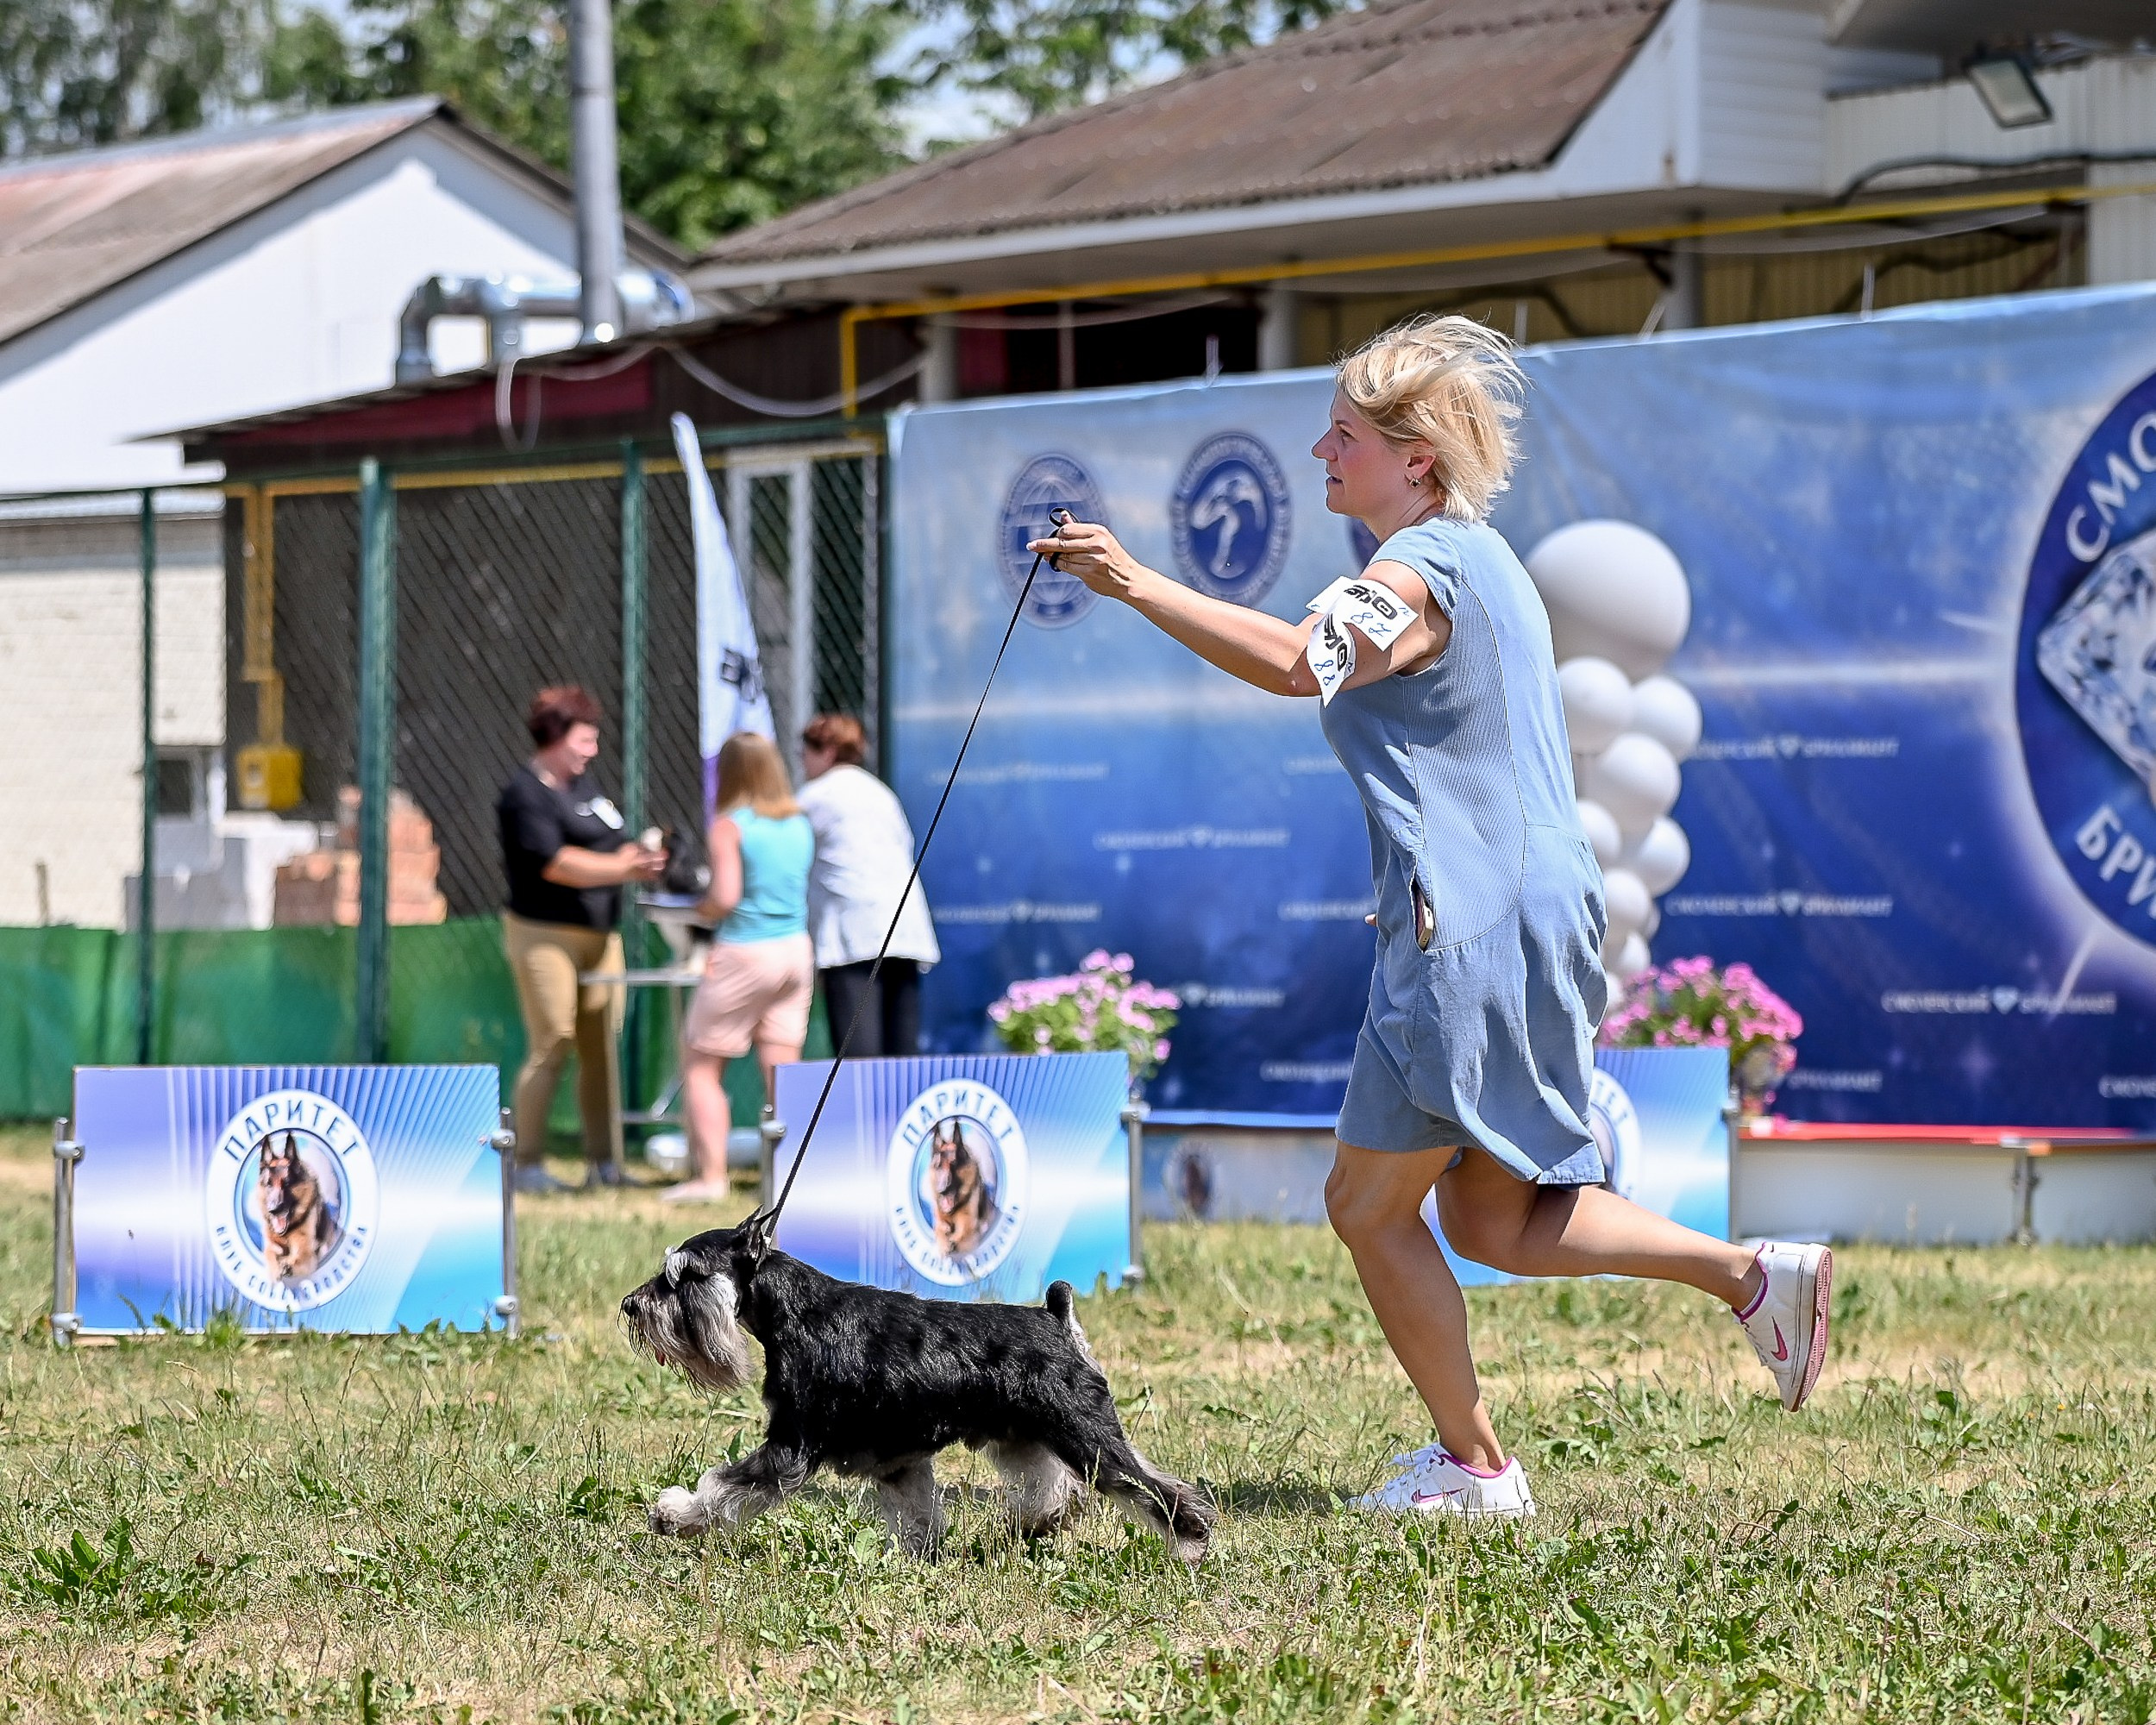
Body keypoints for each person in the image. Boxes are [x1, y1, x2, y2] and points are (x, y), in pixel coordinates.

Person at [1029, 314, 1831, 1519]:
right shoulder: (1479, 562)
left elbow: (1303, 662)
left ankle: (1476, 1469)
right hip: (1522, 917)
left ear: (1417, 458)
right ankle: (1751, 1276)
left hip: (1469, 927)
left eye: (1343, 435)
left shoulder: (1424, 568)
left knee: (1369, 1204)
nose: (1319, 453)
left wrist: (1134, 579)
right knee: (1494, 1212)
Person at [497, 686, 665, 1195]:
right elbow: (556, 864)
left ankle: (605, 1164)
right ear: (555, 737)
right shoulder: (523, 794)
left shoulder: (587, 788)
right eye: (584, 740)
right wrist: (623, 867)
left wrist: (645, 853)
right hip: (544, 934)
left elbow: (613, 840)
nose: (592, 751)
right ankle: (524, 1163)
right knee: (553, 1041)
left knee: (600, 1049)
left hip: (600, 935)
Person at [665, 731, 815, 1204]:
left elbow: (726, 898)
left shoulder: (730, 824)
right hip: (795, 951)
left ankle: (710, 1178)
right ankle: (791, 1181)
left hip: (745, 952)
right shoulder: (799, 823)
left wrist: (694, 907)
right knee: (782, 1072)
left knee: (701, 1066)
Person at [796, 713, 941, 1056]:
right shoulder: (881, 793)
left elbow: (791, 857)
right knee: (900, 1057)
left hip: (852, 936)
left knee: (857, 1061)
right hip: (904, 929)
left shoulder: (813, 797)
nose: (802, 761)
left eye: (806, 752)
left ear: (827, 751)